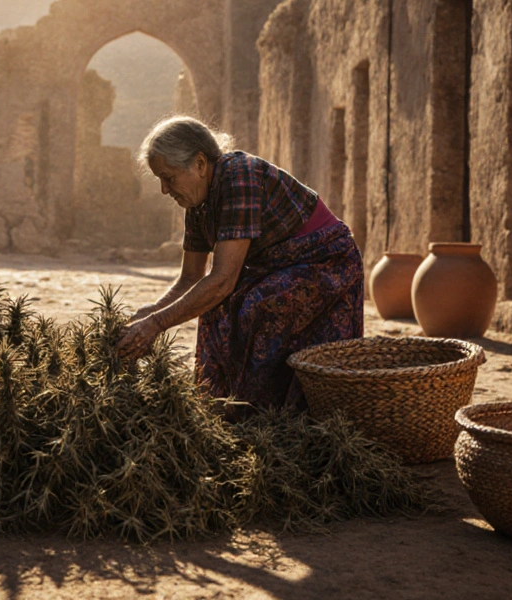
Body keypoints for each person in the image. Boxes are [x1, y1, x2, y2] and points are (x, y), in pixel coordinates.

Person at [115, 116, 366, 414]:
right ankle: (217, 408)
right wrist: (146, 316)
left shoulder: (239, 176)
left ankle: (262, 415)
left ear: (199, 164)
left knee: (255, 303)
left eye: (168, 178)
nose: (164, 190)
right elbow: (190, 279)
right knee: (212, 307)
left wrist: (156, 325)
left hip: (325, 261)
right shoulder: (197, 202)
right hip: (276, 267)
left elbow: (223, 280)